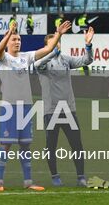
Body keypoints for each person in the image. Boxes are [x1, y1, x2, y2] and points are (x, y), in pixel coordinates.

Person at [0, 18, 67, 191]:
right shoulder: (3, 59)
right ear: (8, 40)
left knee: (25, 144)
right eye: (14, 39)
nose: (17, 42)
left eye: (19, 39)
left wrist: (58, 34)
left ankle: (28, 182)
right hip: (10, 107)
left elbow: (48, 49)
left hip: (26, 106)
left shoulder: (26, 57)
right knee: (6, 144)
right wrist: (9, 32)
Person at [35, 25, 94, 186]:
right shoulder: (42, 62)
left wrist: (88, 45)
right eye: (53, 42)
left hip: (69, 110)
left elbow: (87, 60)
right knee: (51, 146)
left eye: (58, 42)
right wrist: (52, 52)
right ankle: (55, 176)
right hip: (51, 111)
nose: (57, 44)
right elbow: (37, 65)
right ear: (47, 46)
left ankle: (81, 177)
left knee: (77, 144)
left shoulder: (66, 60)